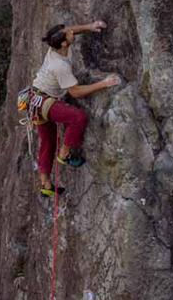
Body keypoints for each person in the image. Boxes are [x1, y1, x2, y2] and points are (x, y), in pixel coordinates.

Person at [28, 21, 120, 195]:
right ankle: (64, 154)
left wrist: (90, 26)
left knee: (47, 143)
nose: (72, 32)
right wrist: (103, 83)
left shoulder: (55, 47)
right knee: (78, 117)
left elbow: (69, 31)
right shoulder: (59, 66)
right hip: (45, 101)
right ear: (64, 43)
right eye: (69, 33)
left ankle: (45, 185)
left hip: (34, 100)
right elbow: (76, 92)